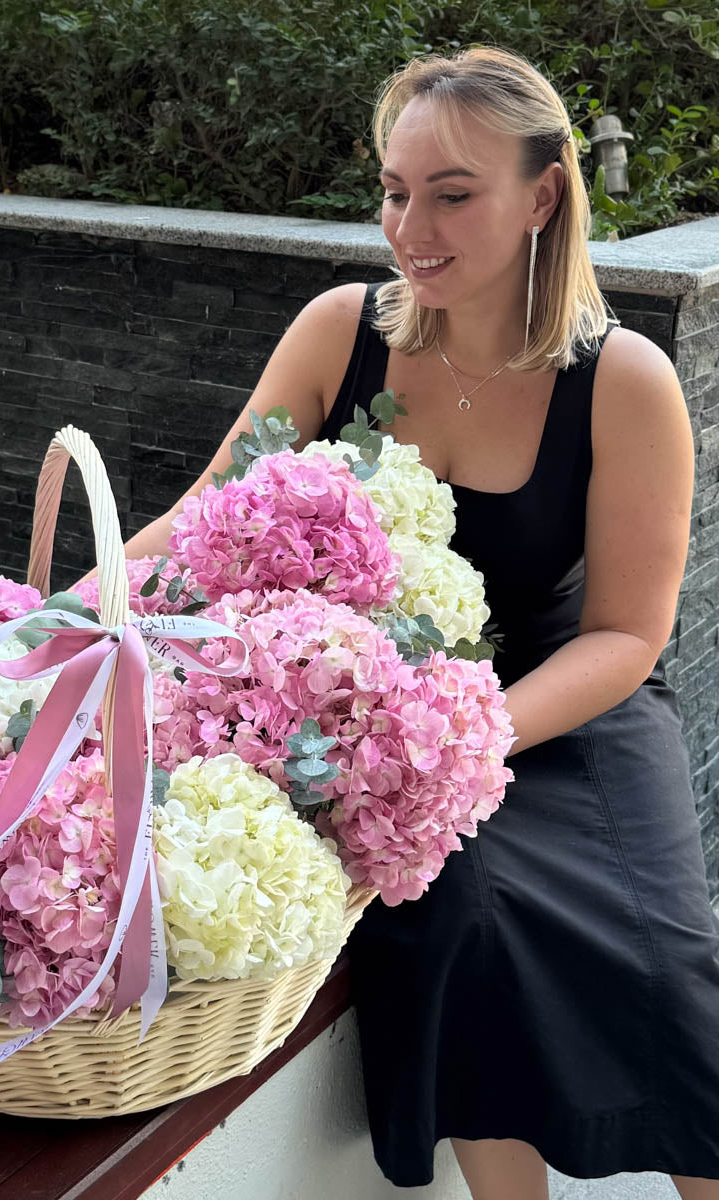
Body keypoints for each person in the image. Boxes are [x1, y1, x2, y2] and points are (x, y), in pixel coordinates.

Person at [113, 46, 719, 1200]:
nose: (409, 225)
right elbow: (205, 517)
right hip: (369, 731)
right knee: (462, 929)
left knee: (668, 966)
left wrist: (461, 736)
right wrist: (70, 597)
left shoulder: (625, 380)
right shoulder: (340, 333)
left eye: (452, 193)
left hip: (563, 711)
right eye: (396, 191)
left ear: (543, 195)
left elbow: (629, 635)